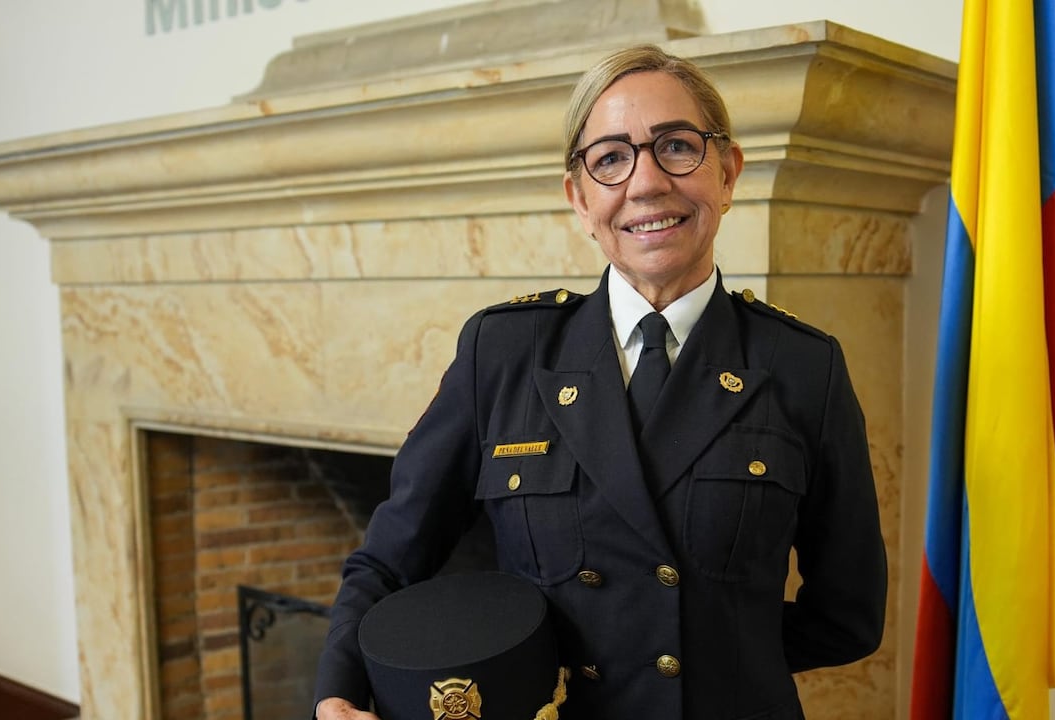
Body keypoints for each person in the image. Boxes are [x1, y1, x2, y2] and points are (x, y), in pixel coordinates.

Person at [313, 44, 887, 720]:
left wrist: (716, 658)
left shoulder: (802, 367)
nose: (645, 183)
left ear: (727, 175)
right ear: (579, 199)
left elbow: (849, 615)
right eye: (611, 158)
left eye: (677, 146)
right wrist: (336, 693)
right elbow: (389, 560)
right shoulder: (500, 356)